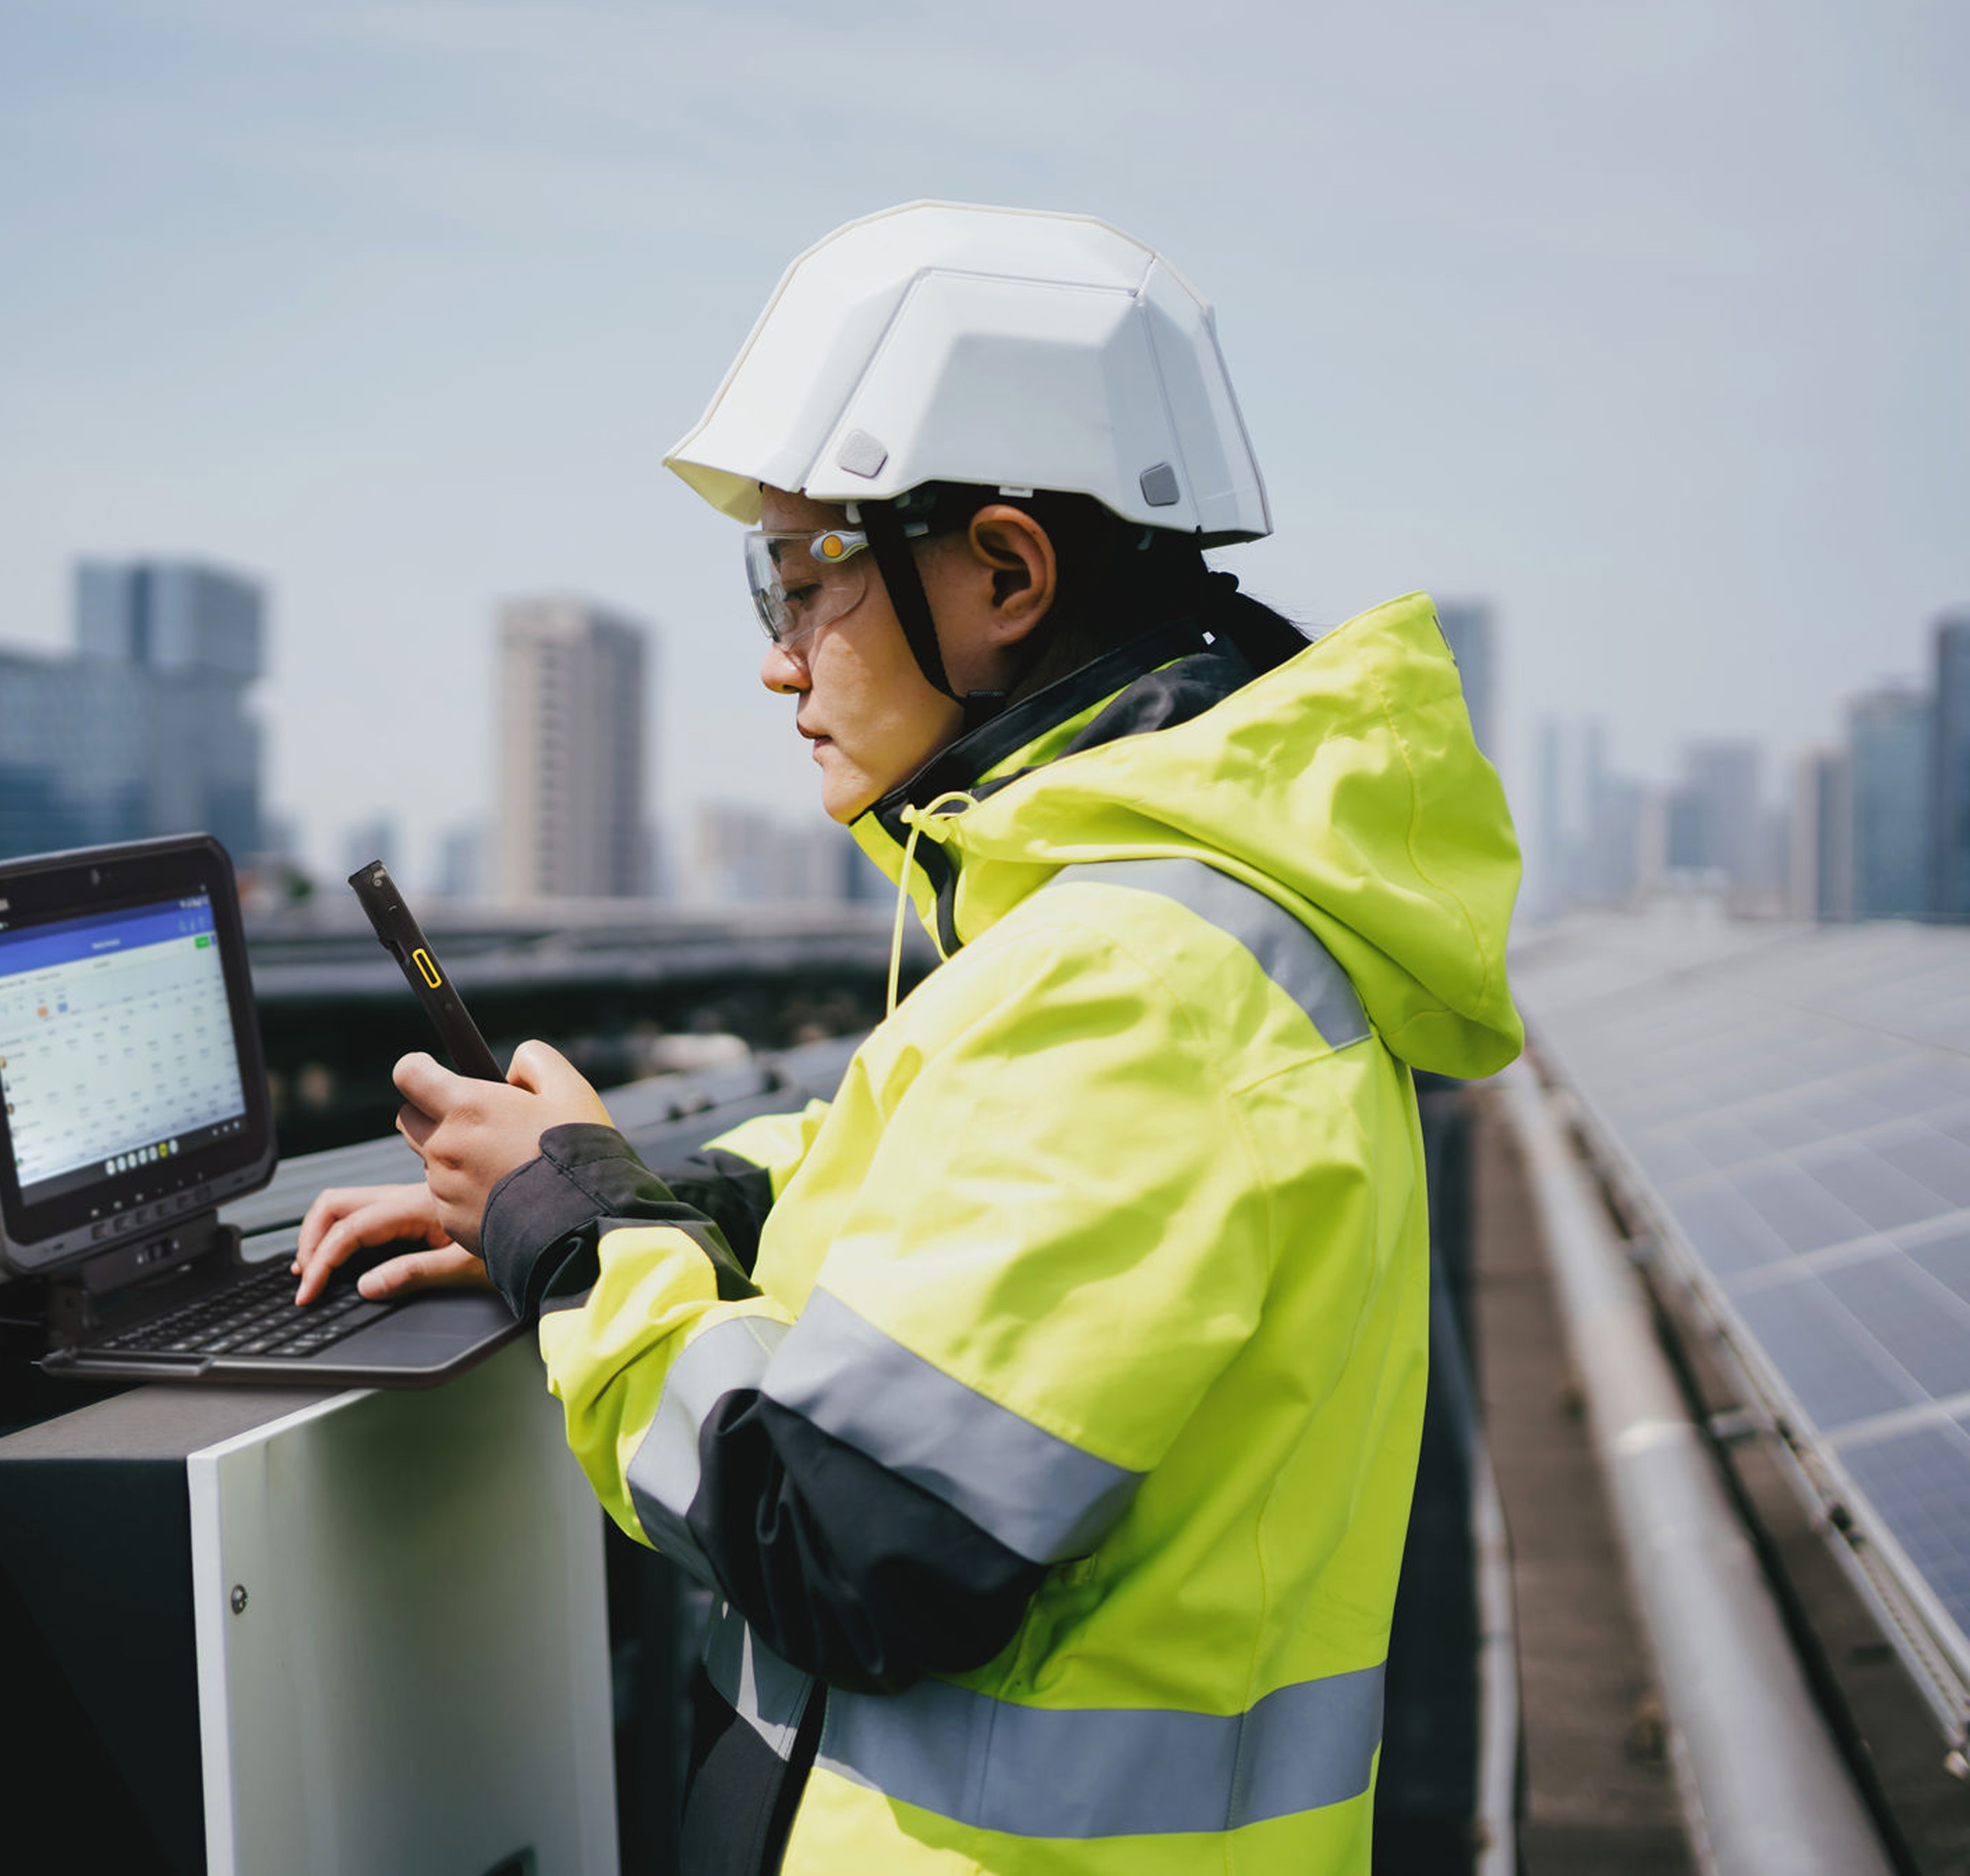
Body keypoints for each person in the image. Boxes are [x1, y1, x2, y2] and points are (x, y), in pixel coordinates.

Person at [293, 201, 1523, 1875]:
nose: (778, 659)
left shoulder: (1132, 986)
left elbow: (836, 1536)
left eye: (803, 577)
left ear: (1005, 571)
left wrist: (579, 1251)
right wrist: (609, 1195)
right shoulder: (1135, 926)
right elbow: (913, 1173)